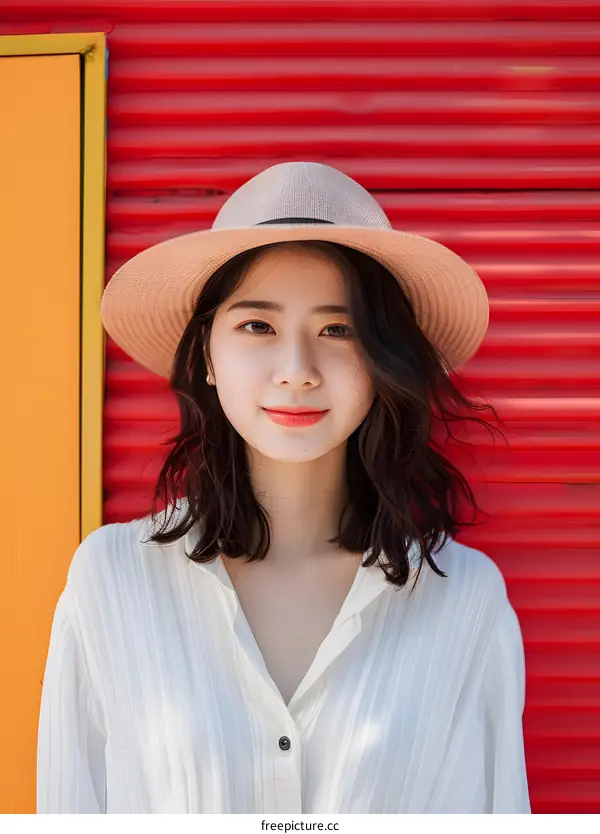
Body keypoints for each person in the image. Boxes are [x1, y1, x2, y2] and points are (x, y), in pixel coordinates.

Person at [36, 162, 530, 814]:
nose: (297, 370)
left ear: (381, 360)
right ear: (207, 355)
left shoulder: (464, 600)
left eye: (338, 329)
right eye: (258, 326)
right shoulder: (110, 581)